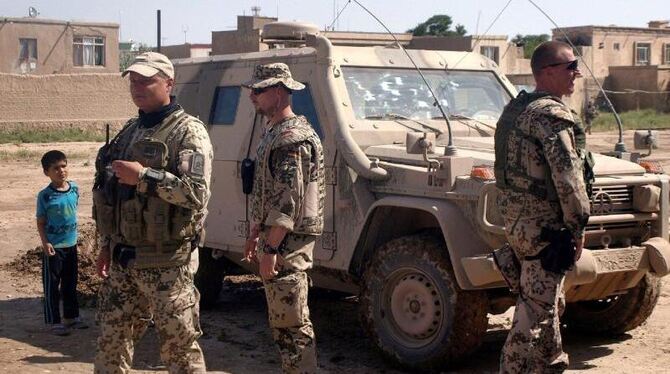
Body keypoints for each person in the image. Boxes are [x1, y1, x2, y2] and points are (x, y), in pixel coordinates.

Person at [92, 51, 212, 373]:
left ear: (169, 83)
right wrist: (106, 245)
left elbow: (196, 193)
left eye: (147, 80)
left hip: (166, 265)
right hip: (123, 261)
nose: (137, 87)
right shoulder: (129, 130)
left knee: (179, 349)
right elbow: (112, 195)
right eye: (133, 80)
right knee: (111, 343)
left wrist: (144, 177)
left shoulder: (189, 132)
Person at [494, 41, 591, 373]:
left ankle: (550, 364)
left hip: (520, 228)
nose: (576, 72)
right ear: (548, 72)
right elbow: (568, 177)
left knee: (545, 302)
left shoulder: (517, 110)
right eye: (570, 66)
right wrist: (578, 226)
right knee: (534, 314)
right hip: (546, 232)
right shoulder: (550, 115)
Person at [243, 63, 325, 374]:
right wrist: (255, 232)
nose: (253, 96)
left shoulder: (292, 138)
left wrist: (271, 250)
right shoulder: (275, 132)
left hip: (288, 246)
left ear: (279, 92)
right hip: (278, 242)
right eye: (252, 90)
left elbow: (288, 201)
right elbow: (268, 191)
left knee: (292, 326)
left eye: (259, 90)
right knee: (283, 323)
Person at [37, 150, 88, 336]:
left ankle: (71, 317)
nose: (61, 171)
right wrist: (45, 243)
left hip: (71, 244)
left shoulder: (74, 188)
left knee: (70, 282)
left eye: (64, 166)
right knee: (52, 285)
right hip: (53, 247)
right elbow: (40, 222)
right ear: (46, 172)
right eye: (55, 168)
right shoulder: (45, 196)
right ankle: (53, 321)